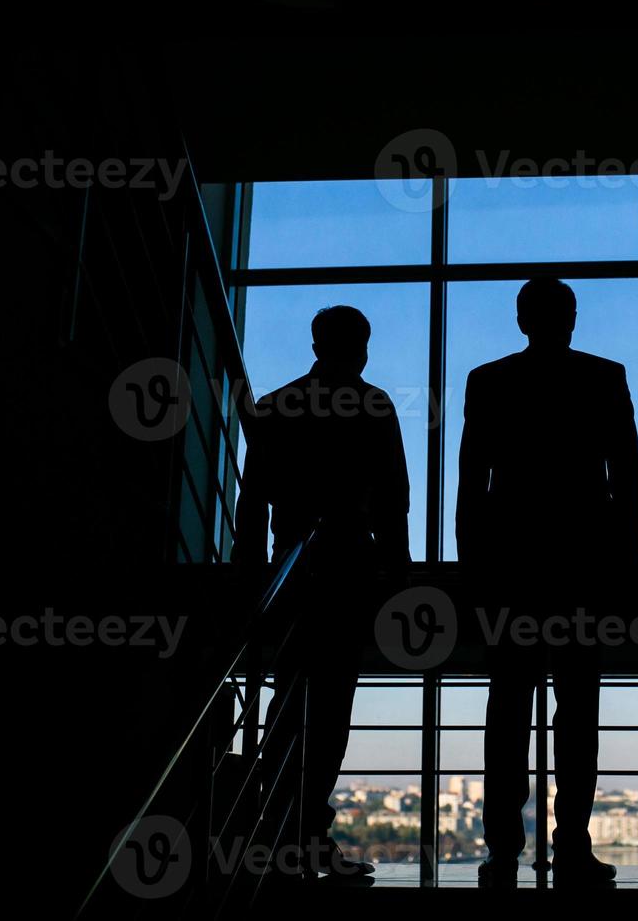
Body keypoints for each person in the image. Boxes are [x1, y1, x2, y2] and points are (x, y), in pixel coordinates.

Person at [457, 279, 638, 888]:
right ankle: (571, 843)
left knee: (507, 710)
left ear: (520, 320)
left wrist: (472, 570)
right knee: (579, 712)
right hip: (583, 565)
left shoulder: (488, 382)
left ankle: (503, 848)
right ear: (572, 319)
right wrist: (627, 563)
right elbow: (628, 479)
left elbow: (471, 484)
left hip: (511, 566)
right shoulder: (604, 377)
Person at [236, 305, 410, 879]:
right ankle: (309, 830)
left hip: (290, 567)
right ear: (362, 346)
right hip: (347, 566)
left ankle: (282, 829)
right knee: (333, 705)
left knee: (289, 704)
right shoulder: (374, 404)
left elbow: (253, 496)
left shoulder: (279, 404)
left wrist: (252, 570)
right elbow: (393, 496)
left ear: (316, 343)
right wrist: (397, 567)